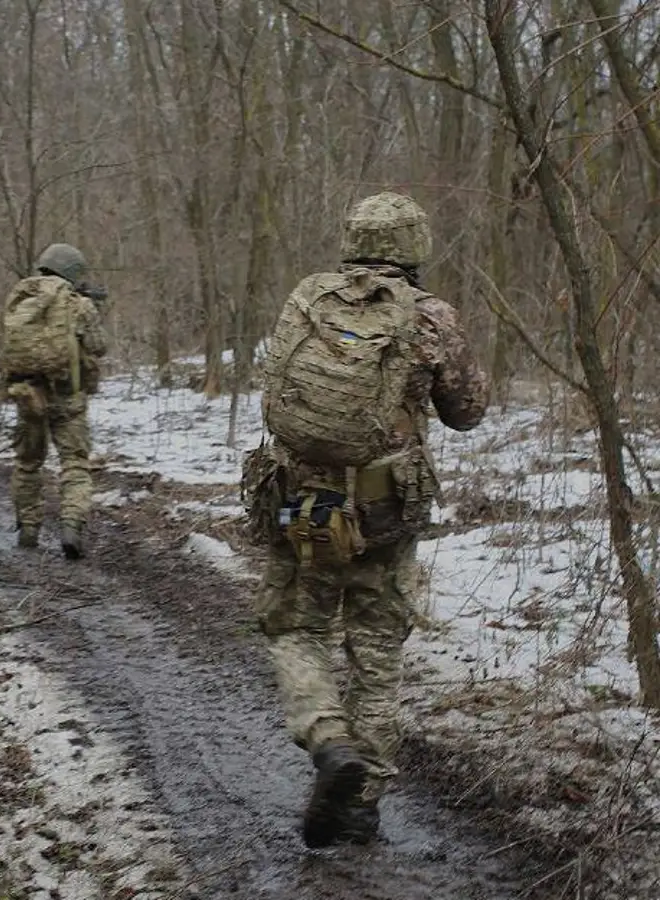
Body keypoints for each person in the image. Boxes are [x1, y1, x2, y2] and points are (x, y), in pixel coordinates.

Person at [244, 192, 487, 848]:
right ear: (416, 246)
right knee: (377, 655)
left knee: (295, 629)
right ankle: (361, 804)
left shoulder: (309, 300)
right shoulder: (430, 316)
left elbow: (276, 390)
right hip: (383, 513)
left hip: (300, 506)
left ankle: (327, 737)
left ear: (351, 240)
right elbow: (468, 412)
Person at [0, 243, 108, 559]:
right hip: (67, 397)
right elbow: (99, 346)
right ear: (72, 271)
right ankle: (71, 527)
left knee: (28, 462)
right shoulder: (78, 304)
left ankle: (28, 529)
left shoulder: (22, 298)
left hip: (28, 394)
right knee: (74, 463)